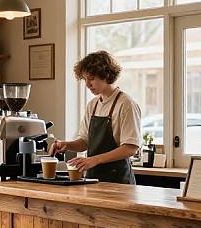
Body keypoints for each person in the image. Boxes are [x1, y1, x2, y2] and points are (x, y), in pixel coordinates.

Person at [50, 50, 141, 184]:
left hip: (118, 181)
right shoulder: (92, 105)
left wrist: (95, 160)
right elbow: (85, 142)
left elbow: (130, 148)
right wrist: (66, 145)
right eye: (85, 79)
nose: (87, 84)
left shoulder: (126, 104)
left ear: (106, 75)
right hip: (93, 179)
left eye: (91, 78)